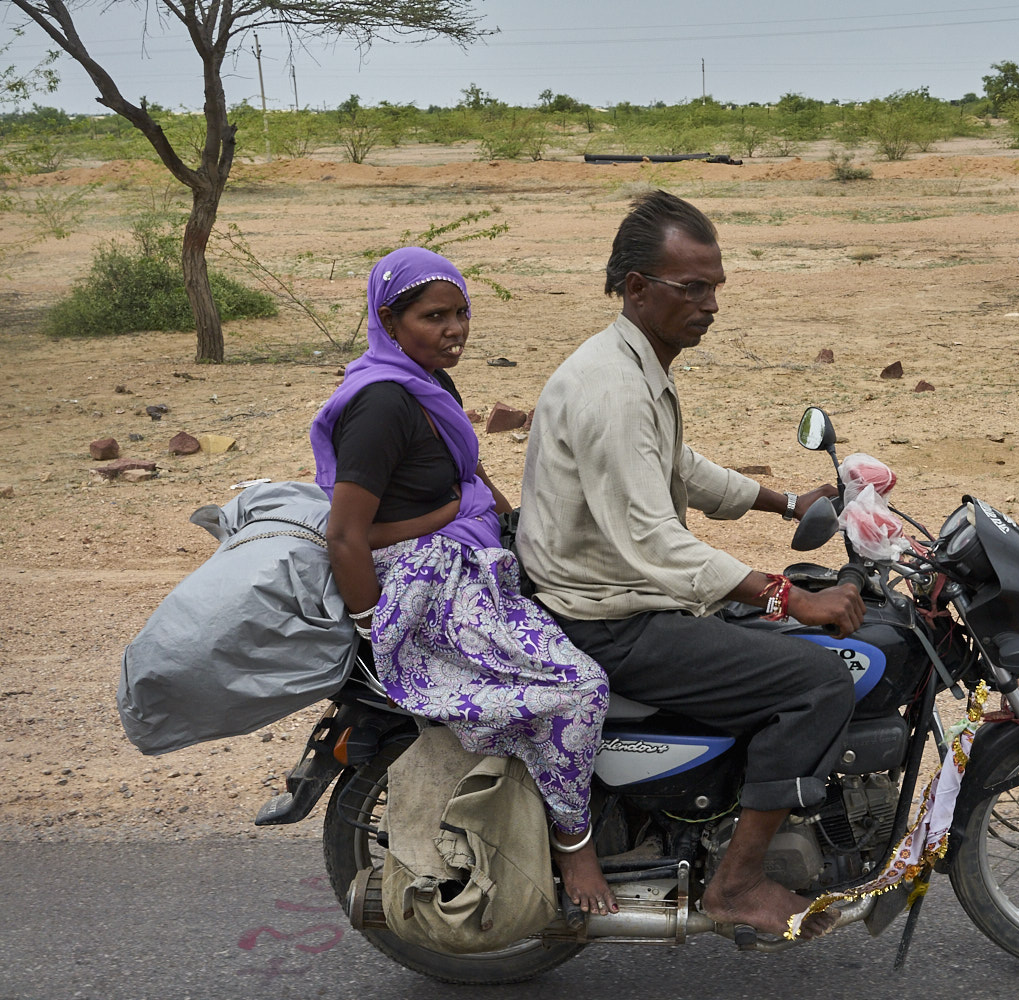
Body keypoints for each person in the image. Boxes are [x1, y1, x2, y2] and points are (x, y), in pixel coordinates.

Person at [517, 191, 866, 937]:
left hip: (628, 598)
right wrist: (787, 597)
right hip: (610, 621)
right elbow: (654, 540)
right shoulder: (611, 388)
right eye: (692, 287)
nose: (710, 304)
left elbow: (680, 468)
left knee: (791, 635)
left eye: (716, 287)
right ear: (638, 288)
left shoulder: (634, 362)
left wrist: (783, 502)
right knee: (815, 680)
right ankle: (736, 886)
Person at [309, 247, 617, 916]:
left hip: (467, 558)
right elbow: (345, 535)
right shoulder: (382, 404)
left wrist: (516, 525)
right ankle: (574, 837)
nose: (455, 329)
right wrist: (376, 629)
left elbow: (464, 475)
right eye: (434, 316)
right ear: (388, 319)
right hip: (428, 584)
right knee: (580, 688)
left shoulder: (429, 383)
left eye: (462, 313)